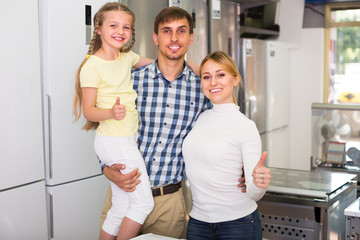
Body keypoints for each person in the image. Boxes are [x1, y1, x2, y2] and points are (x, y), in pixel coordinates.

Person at [101, 7, 269, 239]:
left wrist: (242, 167)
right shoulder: (130, 81)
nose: (173, 38)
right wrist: (105, 168)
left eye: (181, 31)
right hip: (123, 194)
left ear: (190, 38)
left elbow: (224, 125)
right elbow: (106, 129)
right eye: (166, 31)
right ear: (155, 38)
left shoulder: (203, 87)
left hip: (168, 204)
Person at [72, 3, 155, 240]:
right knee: (143, 204)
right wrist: (111, 112)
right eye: (113, 25)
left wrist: (192, 67)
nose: (121, 31)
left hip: (122, 139)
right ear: (98, 29)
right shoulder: (91, 66)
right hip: (114, 141)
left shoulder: (126, 57)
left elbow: (157, 65)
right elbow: (88, 111)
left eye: (126, 27)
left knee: (121, 206)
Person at [182, 51, 271, 240]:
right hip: (198, 222)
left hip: (238, 224)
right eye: (207, 77)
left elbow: (254, 192)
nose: (213, 82)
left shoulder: (245, 126)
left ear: (235, 79)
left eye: (221, 75)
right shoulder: (201, 118)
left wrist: (259, 183)